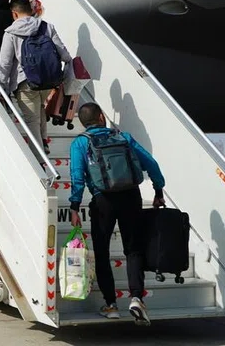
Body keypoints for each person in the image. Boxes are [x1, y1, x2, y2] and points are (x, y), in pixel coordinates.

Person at [69, 102, 166, 326]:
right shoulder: (124, 137)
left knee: (102, 251)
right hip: (131, 196)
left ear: (83, 122)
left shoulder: (80, 143)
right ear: (101, 116)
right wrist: (158, 190)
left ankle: (111, 305)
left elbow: (77, 177)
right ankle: (136, 298)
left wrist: (75, 206)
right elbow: (151, 163)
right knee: (133, 249)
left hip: (103, 201)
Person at [0, 0, 73, 152]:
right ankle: (43, 141)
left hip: (25, 82)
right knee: (39, 110)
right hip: (49, 80)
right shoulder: (47, 27)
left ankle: (39, 159)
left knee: (32, 120)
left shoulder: (10, 33)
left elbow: (5, 63)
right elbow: (65, 55)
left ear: (14, 13)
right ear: (30, 10)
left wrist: (1, 87)